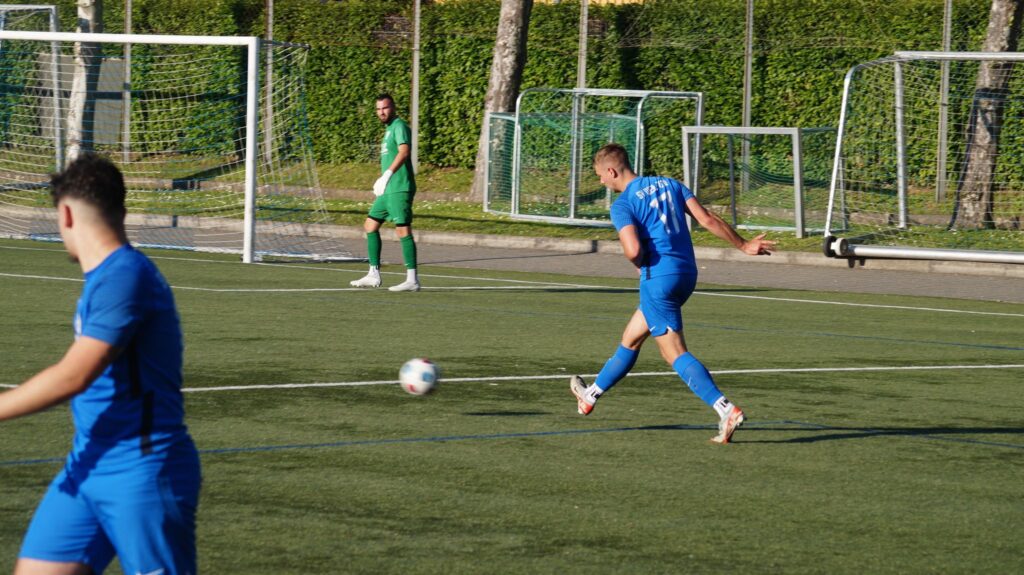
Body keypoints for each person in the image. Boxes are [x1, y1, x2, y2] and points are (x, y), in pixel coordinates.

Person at [1, 154, 201, 574]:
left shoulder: (125, 276)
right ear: (122, 209)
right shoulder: (106, 278)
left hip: (141, 469)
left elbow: (74, 375)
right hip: (88, 462)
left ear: (68, 214)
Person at [571, 143, 776, 444]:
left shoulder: (623, 204)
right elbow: (707, 220)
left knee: (673, 352)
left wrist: (640, 265)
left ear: (612, 171)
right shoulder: (671, 184)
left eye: (600, 176)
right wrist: (744, 245)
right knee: (632, 338)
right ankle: (590, 395)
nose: (601, 181)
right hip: (686, 274)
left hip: (658, 278)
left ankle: (725, 409)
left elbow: (634, 249)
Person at [350, 93, 420, 292]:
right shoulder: (388, 129)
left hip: (400, 187)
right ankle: (373, 274)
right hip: (387, 190)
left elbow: (404, 151)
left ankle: (412, 279)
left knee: (402, 230)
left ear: (393, 108)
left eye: (385, 108)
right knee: (370, 225)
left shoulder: (399, 126)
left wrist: (388, 174)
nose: (382, 112)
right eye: (378, 109)